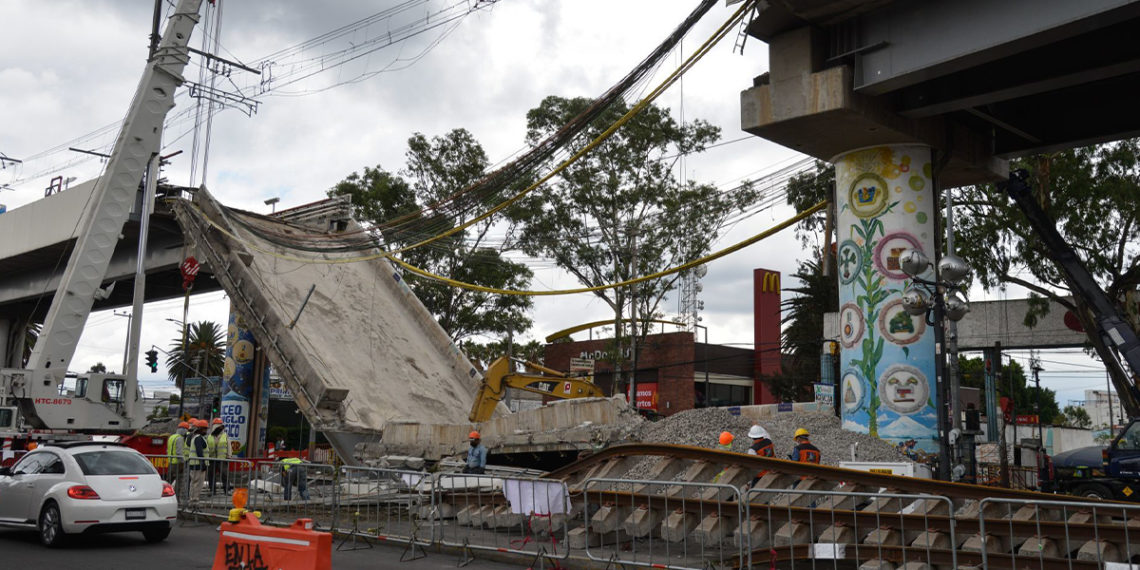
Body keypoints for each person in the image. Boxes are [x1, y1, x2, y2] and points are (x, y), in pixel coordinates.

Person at [186, 419, 209, 508]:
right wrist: (202, 462)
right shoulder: (198, 438)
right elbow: (199, 451)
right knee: (196, 483)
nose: (206, 431)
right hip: (197, 464)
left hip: (196, 464)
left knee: (195, 483)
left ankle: (193, 500)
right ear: (201, 429)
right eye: (205, 429)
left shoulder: (197, 437)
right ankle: (194, 501)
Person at [206, 418, 231, 495]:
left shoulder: (225, 436)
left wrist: (229, 456)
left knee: (224, 475)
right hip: (212, 458)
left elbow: (229, 446)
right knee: (211, 475)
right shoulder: (209, 437)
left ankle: (226, 490)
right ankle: (212, 490)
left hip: (222, 459)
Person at [167, 421, 189, 491]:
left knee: (168, 482)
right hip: (177, 464)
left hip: (170, 462)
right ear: (184, 430)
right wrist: (183, 462)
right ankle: (177, 497)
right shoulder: (180, 438)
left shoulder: (171, 437)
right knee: (179, 482)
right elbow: (179, 453)